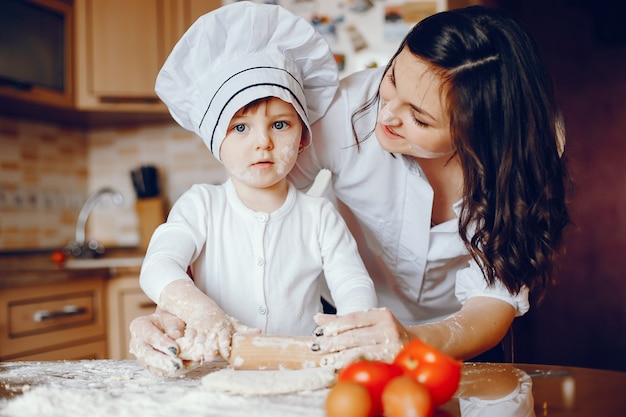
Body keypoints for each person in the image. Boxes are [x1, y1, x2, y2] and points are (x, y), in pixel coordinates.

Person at [130, 5, 570, 375]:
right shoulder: (346, 114)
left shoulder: (521, 159)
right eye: (393, 80)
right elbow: (258, 213)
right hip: (349, 333)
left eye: (419, 118)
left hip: (458, 334)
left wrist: (407, 340)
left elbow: (489, 305)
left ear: (477, 134)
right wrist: (183, 306)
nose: (388, 114)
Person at [131, 2, 377, 375]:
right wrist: (203, 313)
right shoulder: (201, 206)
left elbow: (352, 283)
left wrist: (353, 331)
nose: (263, 142)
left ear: (303, 135)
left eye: (280, 125)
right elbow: (158, 267)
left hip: (303, 370)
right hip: (215, 372)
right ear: (215, 141)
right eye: (240, 128)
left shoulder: (320, 215)